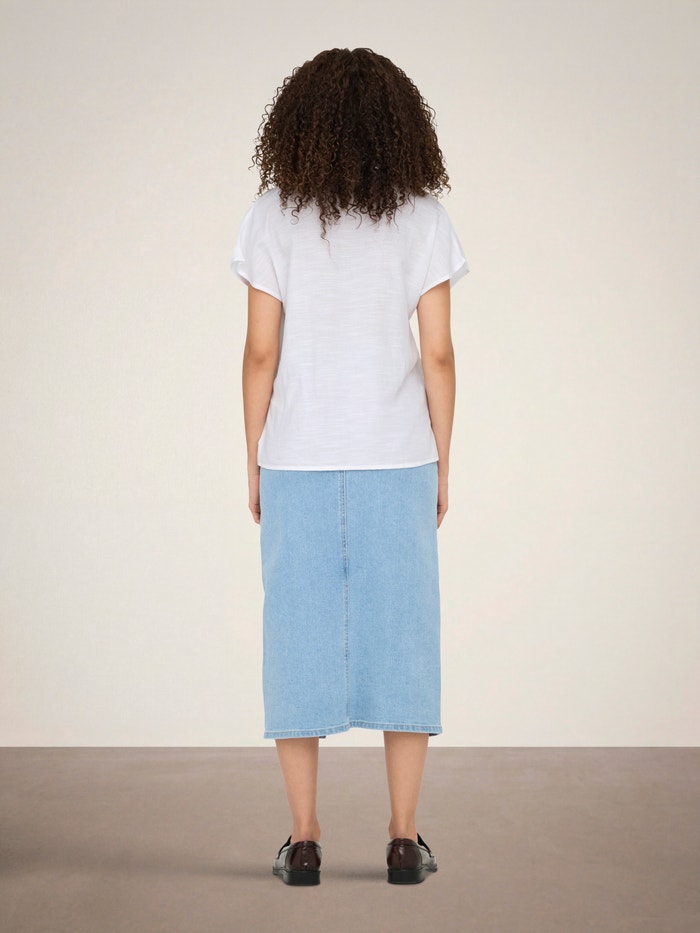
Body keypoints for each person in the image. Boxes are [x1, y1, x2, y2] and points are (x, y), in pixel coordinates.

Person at [230, 47, 468, 885]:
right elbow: (437, 354)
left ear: (299, 123)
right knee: (406, 636)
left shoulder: (272, 214)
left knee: (295, 637)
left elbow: (261, 352)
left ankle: (303, 840)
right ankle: (403, 838)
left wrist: (253, 455)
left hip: (297, 456)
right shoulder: (422, 217)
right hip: (397, 454)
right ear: (401, 125)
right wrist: (443, 461)